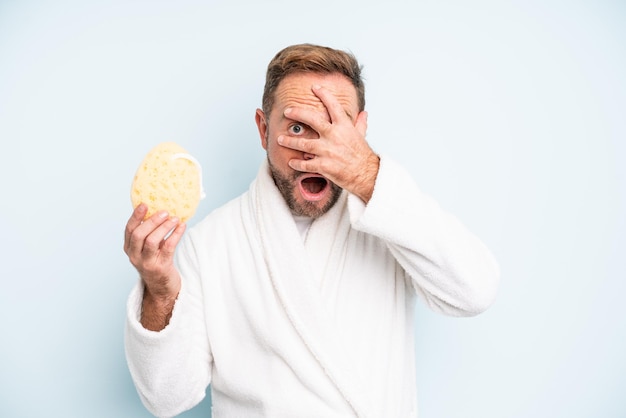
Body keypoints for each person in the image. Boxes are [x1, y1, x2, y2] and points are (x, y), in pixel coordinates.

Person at [123, 43, 500, 418]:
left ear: (360, 131)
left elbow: (474, 292)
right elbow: (166, 398)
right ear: (263, 128)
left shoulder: (394, 221)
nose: (312, 152)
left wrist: (367, 173)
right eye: (298, 127)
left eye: (333, 129)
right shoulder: (210, 244)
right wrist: (159, 292)